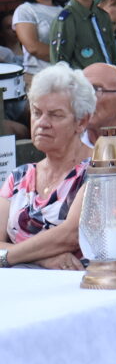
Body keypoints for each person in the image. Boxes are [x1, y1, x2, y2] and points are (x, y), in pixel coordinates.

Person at [0, 64, 94, 270]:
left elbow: (70, 235)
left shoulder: (99, 170)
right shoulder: (18, 177)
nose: (42, 123)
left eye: (55, 115)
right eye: (36, 112)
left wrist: (8, 256)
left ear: (82, 121)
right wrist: (42, 259)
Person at [13, 0, 62, 85]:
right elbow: (33, 47)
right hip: (38, 77)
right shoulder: (25, 10)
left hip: (65, 75)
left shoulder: (64, 10)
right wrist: (67, 56)